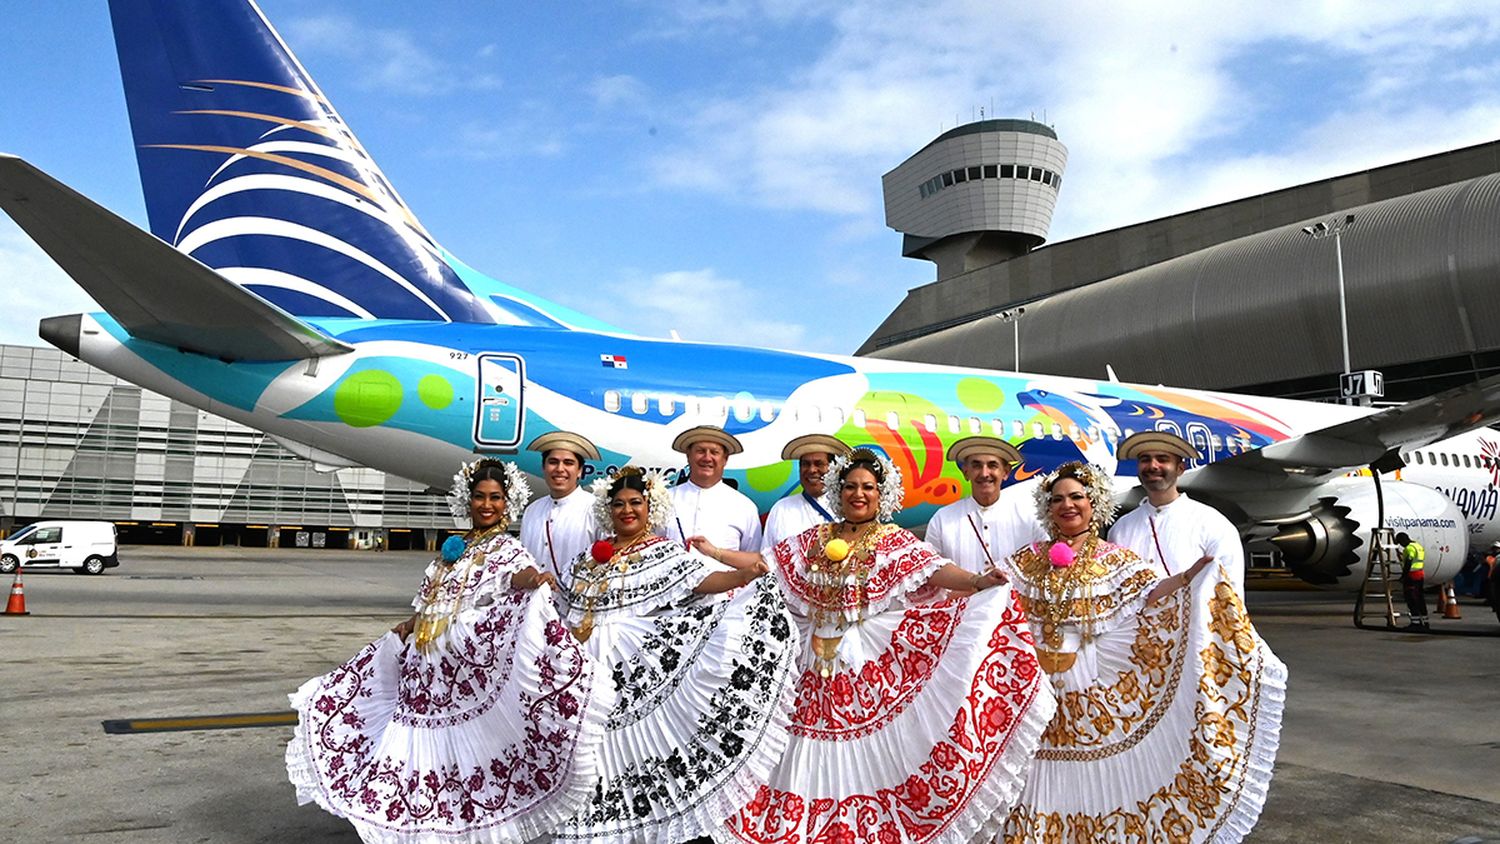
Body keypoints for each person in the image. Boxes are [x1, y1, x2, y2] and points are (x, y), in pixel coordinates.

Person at [727, 448, 1057, 844]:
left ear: (881, 495)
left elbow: (935, 568)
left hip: (866, 666)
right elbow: (764, 563)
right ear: (838, 492)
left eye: (867, 487)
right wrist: (714, 554)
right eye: (850, 487)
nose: (858, 494)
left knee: (871, 755)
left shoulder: (892, 540)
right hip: (812, 666)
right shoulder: (815, 540)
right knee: (804, 752)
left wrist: (976, 583)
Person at [286, 458, 614, 843]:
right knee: (422, 754)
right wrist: (410, 626)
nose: (486, 505)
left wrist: (534, 578)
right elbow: (433, 602)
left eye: (495, 498)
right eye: (479, 497)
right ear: (467, 500)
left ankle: (465, 826)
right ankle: (421, 824)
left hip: (461, 679)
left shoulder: (505, 548)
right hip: (424, 673)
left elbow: (515, 577)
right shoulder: (451, 552)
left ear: (506, 504)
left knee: (463, 757)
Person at [1000, 461, 1286, 843]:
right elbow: (992, 590)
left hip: (1086, 683)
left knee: (1092, 771)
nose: (1067, 506)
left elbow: (1148, 594)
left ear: (1094, 503)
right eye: (1057, 500)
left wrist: (1187, 580)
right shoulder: (1028, 558)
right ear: (1047, 508)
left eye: (1077, 497)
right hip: (1037, 688)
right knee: (1035, 770)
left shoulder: (1113, 558)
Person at [552, 466, 797, 843]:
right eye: (618, 504)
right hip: (587, 670)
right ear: (608, 510)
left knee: (632, 750)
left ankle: (641, 824)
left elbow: (701, 580)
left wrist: (742, 578)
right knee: (590, 749)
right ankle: (589, 823)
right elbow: (567, 607)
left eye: (635, 503)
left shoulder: (661, 552)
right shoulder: (587, 559)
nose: (627, 510)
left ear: (650, 509)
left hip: (635, 674)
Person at [1110, 430, 1247, 595]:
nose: (1153, 466)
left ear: (1180, 469)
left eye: (1162, 459)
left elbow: (1230, 592)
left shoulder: (1213, 524)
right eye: (1145, 460)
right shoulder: (1120, 530)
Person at [925, 435, 1045, 578]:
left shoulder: (1029, 517)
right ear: (966, 472)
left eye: (992, 466)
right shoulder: (942, 519)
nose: (984, 473)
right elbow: (930, 572)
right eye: (976, 466)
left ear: (1005, 472)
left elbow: (1044, 564)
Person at [667, 425, 762, 568]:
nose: (707, 458)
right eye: (700, 451)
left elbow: (753, 562)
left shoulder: (744, 507)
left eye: (714, 452)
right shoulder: (665, 499)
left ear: (725, 459)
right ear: (688, 455)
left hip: (726, 589)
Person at [519, 430, 603, 587]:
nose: (560, 469)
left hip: (576, 607)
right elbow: (522, 562)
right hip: (534, 606)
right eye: (553, 462)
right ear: (543, 467)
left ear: (580, 471)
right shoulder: (532, 510)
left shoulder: (595, 509)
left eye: (568, 463)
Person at [1396, 531, 1430, 631]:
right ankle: (1425, 621)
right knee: (1420, 598)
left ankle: (1415, 623)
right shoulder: (1418, 546)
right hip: (1420, 574)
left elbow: (1410, 560)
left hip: (1412, 576)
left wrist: (1403, 576)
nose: (1401, 545)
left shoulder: (1409, 548)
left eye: (1400, 542)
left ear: (1403, 540)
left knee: (1411, 599)